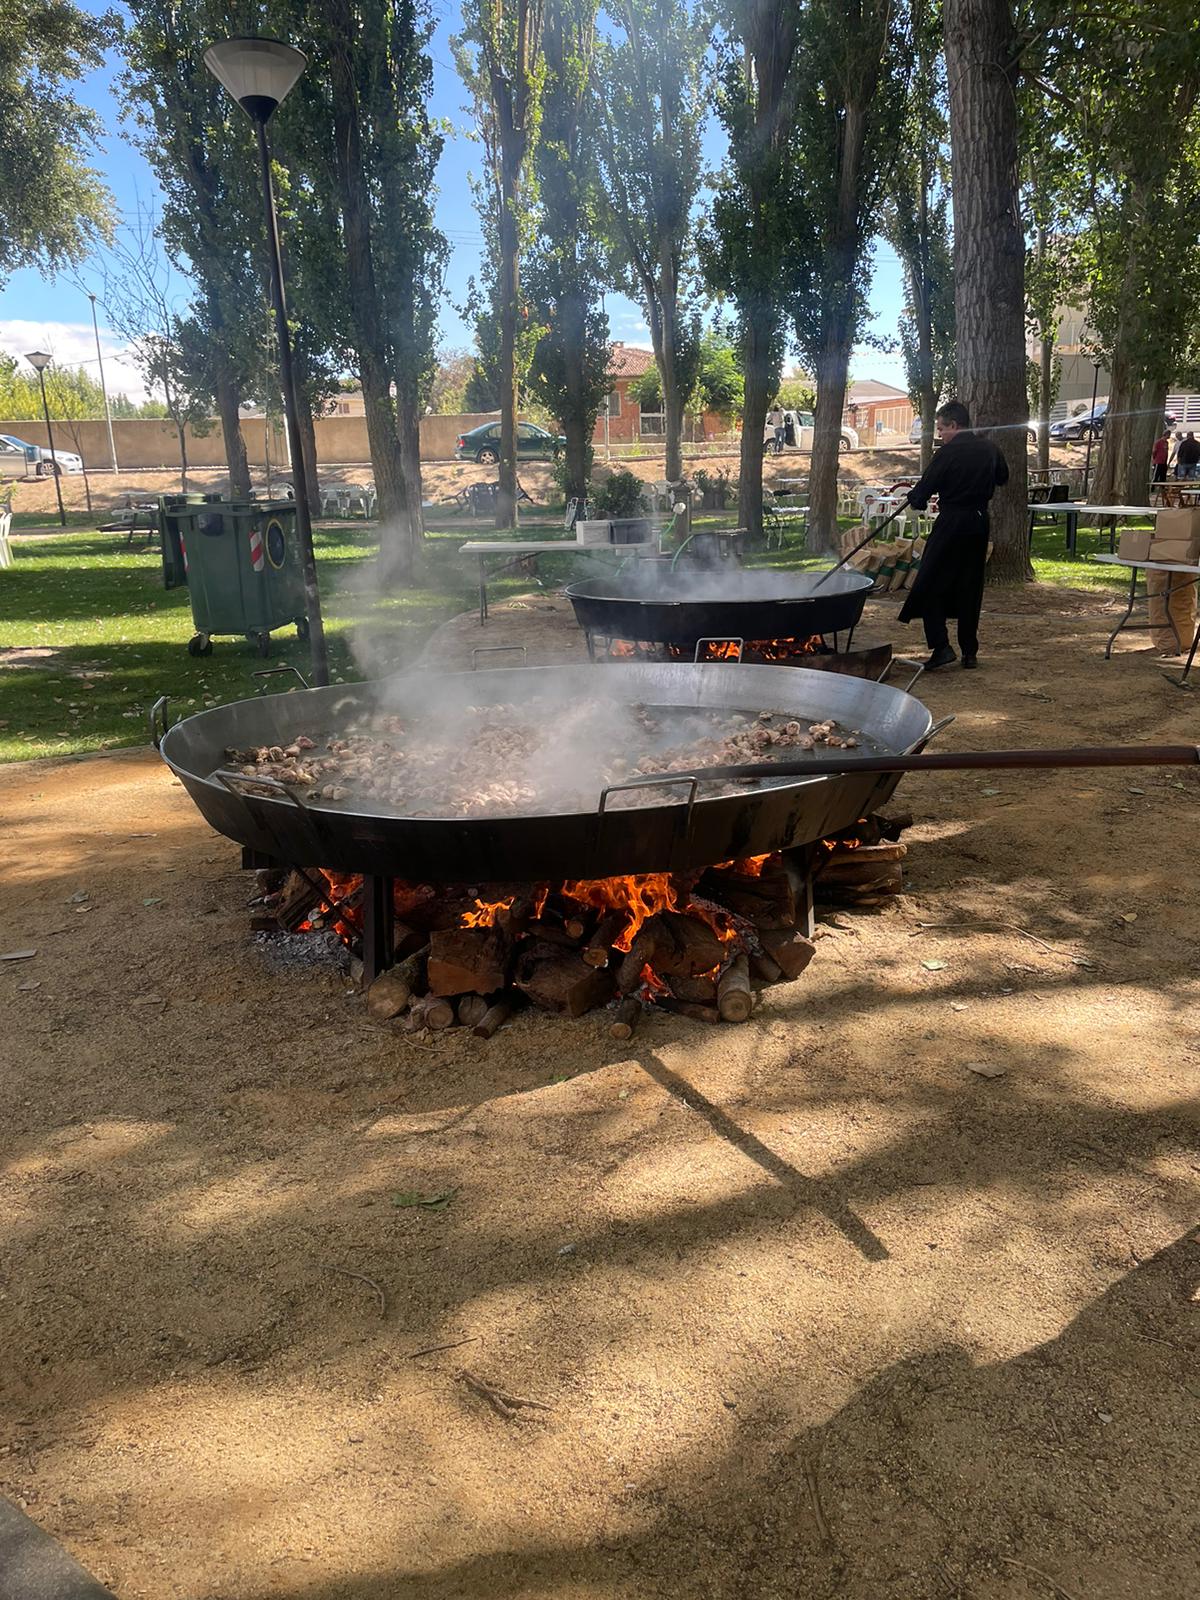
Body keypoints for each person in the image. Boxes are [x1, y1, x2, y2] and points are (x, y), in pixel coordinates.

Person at [897, 400, 1009, 670]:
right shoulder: (990, 448)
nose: (940, 434)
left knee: (930, 582)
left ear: (954, 426)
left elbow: (923, 492)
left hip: (952, 522)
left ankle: (941, 646)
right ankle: (970, 652)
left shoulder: (946, 453)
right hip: (979, 522)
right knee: (971, 585)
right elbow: (1002, 477)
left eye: (941, 429)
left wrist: (915, 497)